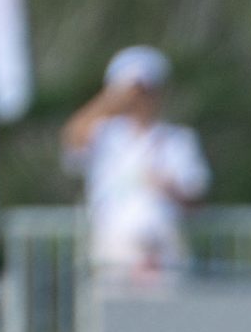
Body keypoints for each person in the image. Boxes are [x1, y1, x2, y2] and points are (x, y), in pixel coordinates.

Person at [61, 47, 209, 281]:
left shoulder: (178, 139)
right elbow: (73, 137)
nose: (140, 99)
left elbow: (196, 196)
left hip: (162, 247)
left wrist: (167, 187)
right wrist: (111, 101)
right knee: (112, 303)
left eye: (147, 91)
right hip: (114, 246)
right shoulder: (103, 134)